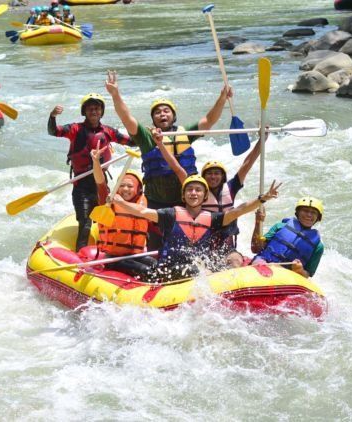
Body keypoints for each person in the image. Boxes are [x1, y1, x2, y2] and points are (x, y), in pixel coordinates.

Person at [104, 70, 231, 250]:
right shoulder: (145, 136)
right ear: (153, 119)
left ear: (173, 115)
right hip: (157, 199)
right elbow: (126, 117)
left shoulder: (184, 133)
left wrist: (222, 98)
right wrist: (115, 95)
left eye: (166, 111)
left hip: (186, 199)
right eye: (157, 112)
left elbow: (209, 121)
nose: (162, 114)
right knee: (157, 243)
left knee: (186, 242)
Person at [111, 175, 281, 281]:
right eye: (190, 190)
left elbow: (239, 210)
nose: (194, 193)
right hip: (170, 270)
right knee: (195, 270)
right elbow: (142, 211)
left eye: (198, 190)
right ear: (183, 195)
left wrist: (262, 199)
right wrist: (120, 202)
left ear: (204, 195)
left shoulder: (213, 218)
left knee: (217, 266)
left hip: (199, 269)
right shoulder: (170, 214)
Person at [47, 93, 132, 251]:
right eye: (90, 109)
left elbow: (131, 141)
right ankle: (81, 255)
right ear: (84, 111)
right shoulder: (75, 129)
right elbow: (54, 131)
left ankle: (110, 251)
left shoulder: (108, 131)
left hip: (100, 184)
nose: (94, 111)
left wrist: (147, 134)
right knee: (85, 223)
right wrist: (52, 116)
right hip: (82, 185)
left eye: (97, 108)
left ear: (101, 111)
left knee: (107, 221)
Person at [89, 146, 155, 278]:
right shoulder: (108, 202)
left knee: (158, 266)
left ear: (138, 189)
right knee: (147, 272)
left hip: (137, 255)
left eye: (130, 186)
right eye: (121, 185)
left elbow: (149, 220)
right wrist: (96, 162)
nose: (125, 189)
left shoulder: (143, 204)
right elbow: (100, 183)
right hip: (114, 258)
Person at [251, 197, 325, 278]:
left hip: (288, 275)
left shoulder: (318, 246)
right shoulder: (280, 226)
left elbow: (307, 274)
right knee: (258, 264)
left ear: (318, 218)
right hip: (265, 263)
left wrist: (299, 270)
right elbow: (255, 248)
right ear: (297, 213)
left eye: (313, 212)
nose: (309, 215)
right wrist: (258, 222)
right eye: (305, 210)